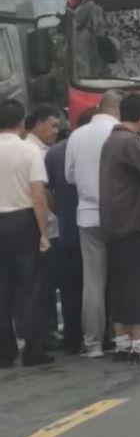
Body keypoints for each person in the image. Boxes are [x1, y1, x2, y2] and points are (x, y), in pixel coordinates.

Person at [100, 93, 140, 360]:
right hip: (134, 221)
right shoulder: (131, 142)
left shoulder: (111, 141)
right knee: (137, 282)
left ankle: (122, 341)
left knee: (118, 282)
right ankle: (139, 344)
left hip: (113, 223)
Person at [65, 90, 122, 357]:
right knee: (123, 276)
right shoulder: (122, 133)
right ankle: (122, 336)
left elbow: (69, 177)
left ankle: (94, 343)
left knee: (93, 282)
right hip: (120, 215)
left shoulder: (76, 136)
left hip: (87, 215)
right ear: (118, 109)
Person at [0, 99, 53, 367]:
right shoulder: (29, 151)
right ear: (22, 122)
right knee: (30, 288)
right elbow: (37, 194)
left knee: (2, 290)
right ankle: (34, 351)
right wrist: (43, 231)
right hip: (23, 221)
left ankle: (4, 352)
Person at [45, 107, 98, 355]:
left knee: (70, 286)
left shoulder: (54, 153)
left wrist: (60, 211)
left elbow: (47, 191)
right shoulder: (99, 148)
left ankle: (72, 336)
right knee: (97, 281)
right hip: (95, 223)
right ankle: (100, 334)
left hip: (67, 226)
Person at [25, 105, 62, 343]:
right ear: (38, 124)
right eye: (53, 125)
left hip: (26, 224)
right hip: (41, 226)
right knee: (43, 281)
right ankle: (46, 331)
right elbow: (41, 192)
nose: (57, 131)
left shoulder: (38, 149)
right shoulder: (35, 152)